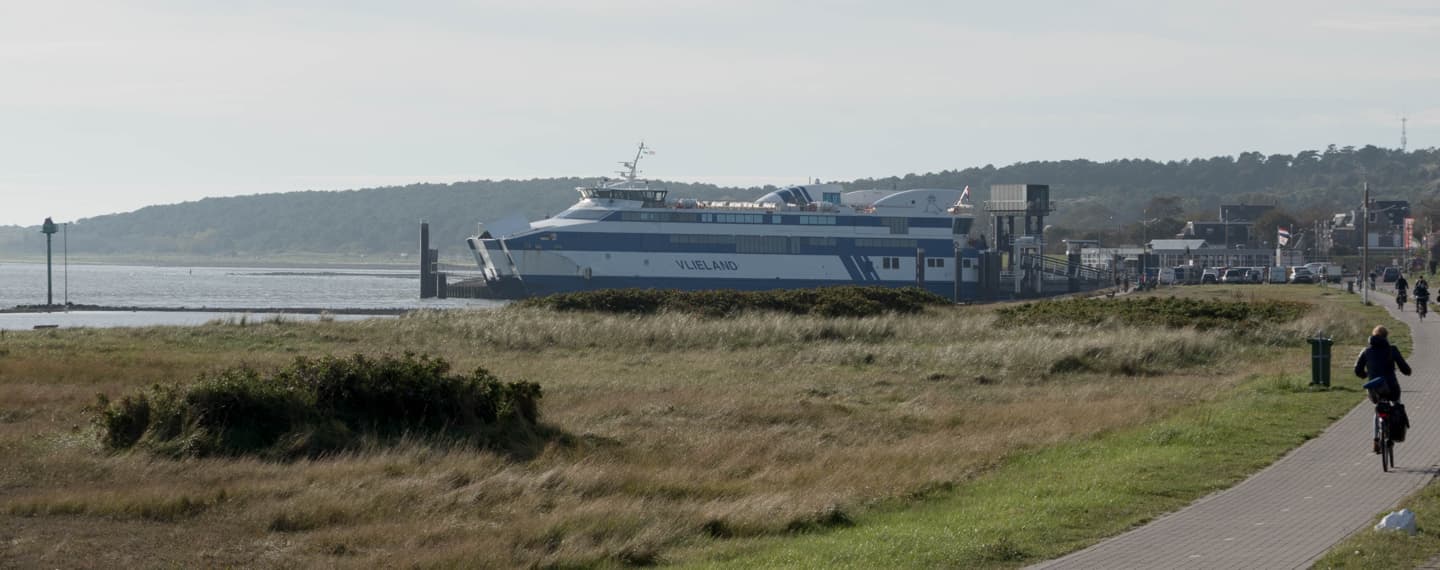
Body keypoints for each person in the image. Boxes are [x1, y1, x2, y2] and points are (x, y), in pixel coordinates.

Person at [1355, 325, 1412, 404]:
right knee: (1397, 404)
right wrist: (1407, 371)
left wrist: (1365, 374)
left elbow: (1358, 370)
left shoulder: (1366, 351)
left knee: (1378, 406)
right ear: (1386, 336)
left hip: (1374, 388)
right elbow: (1402, 365)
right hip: (1391, 386)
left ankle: (1377, 416)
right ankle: (1399, 414)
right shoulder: (1392, 349)